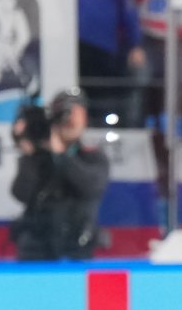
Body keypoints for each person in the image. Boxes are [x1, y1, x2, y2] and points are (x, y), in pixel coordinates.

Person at [9, 89, 108, 260]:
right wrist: (30, 153)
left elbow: (90, 187)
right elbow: (21, 193)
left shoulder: (92, 156)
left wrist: (62, 154)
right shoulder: (40, 157)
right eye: (65, 114)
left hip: (77, 248)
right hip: (36, 249)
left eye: (76, 115)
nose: (70, 121)